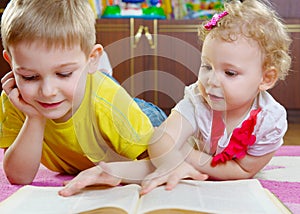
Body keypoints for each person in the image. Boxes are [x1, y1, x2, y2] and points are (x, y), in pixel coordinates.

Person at [58, 0, 292, 196]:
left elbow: (243, 170)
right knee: (153, 160)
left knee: (165, 163)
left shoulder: (270, 120)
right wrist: (174, 163)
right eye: (207, 66)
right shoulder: (198, 99)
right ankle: (108, 172)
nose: (212, 81)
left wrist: (187, 158)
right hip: (175, 150)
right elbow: (161, 141)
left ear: (266, 78)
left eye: (229, 73)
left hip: (200, 161)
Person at [0, 0, 166, 185]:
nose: (47, 92)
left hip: (141, 117)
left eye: (63, 74)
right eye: (30, 77)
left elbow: (159, 164)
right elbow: (19, 177)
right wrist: (34, 118)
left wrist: (117, 171)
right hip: (91, 129)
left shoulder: (109, 103)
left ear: (93, 59)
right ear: (11, 62)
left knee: (179, 147)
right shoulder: (16, 99)